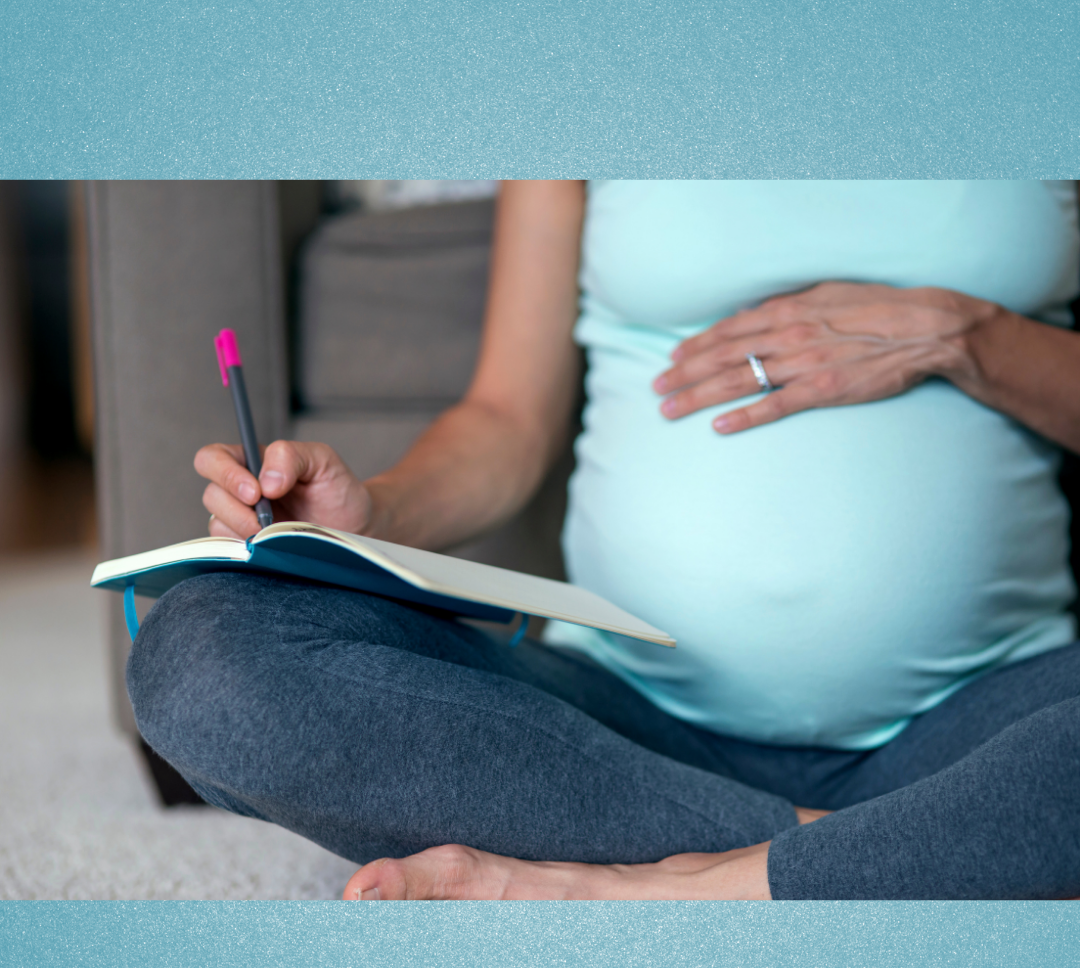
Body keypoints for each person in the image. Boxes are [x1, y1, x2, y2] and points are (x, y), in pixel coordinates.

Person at [127, 180, 1080, 900]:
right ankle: (903, 853)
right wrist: (374, 513)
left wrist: (967, 334)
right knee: (205, 656)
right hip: (618, 730)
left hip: (984, 713)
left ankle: (653, 890)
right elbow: (507, 417)